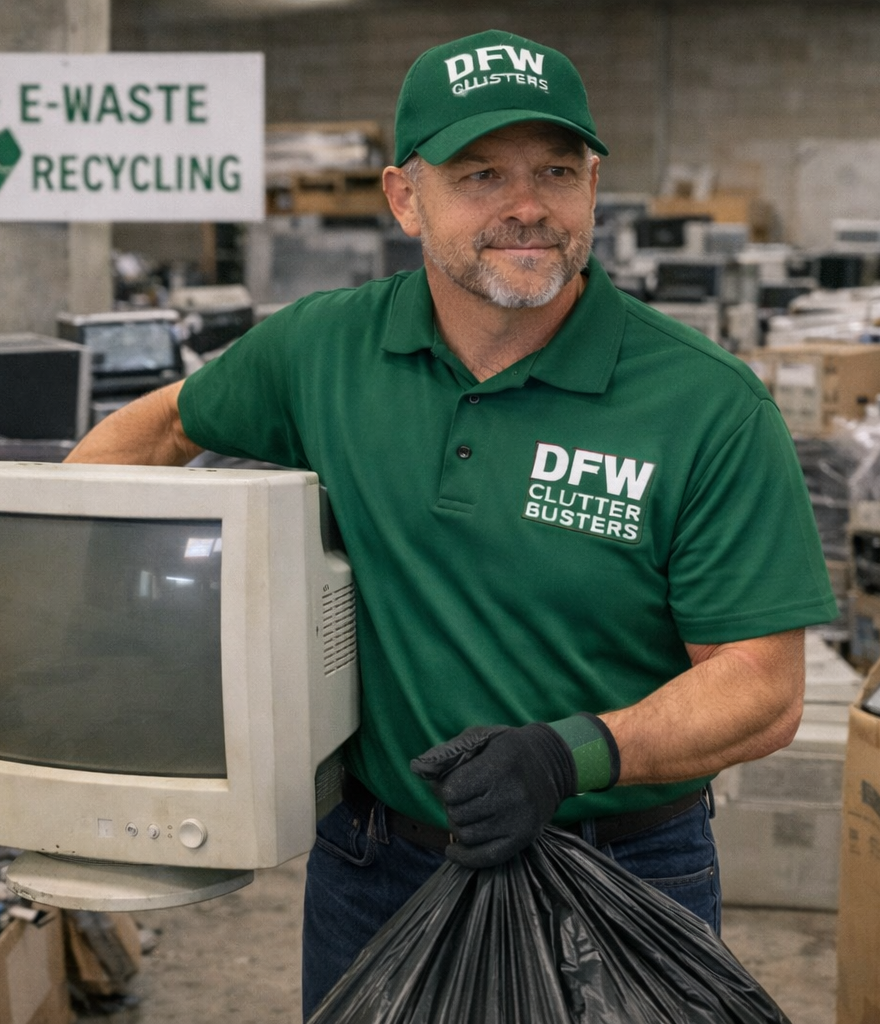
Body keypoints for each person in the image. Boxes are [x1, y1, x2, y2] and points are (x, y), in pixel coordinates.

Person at [67, 28, 837, 1017]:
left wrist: (568, 755)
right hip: (379, 867)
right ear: (404, 196)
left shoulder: (705, 404)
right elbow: (165, 426)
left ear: (593, 186)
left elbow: (762, 687)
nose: (525, 205)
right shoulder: (323, 352)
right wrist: (75, 591)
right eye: (480, 173)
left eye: (555, 170)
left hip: (619, 871)